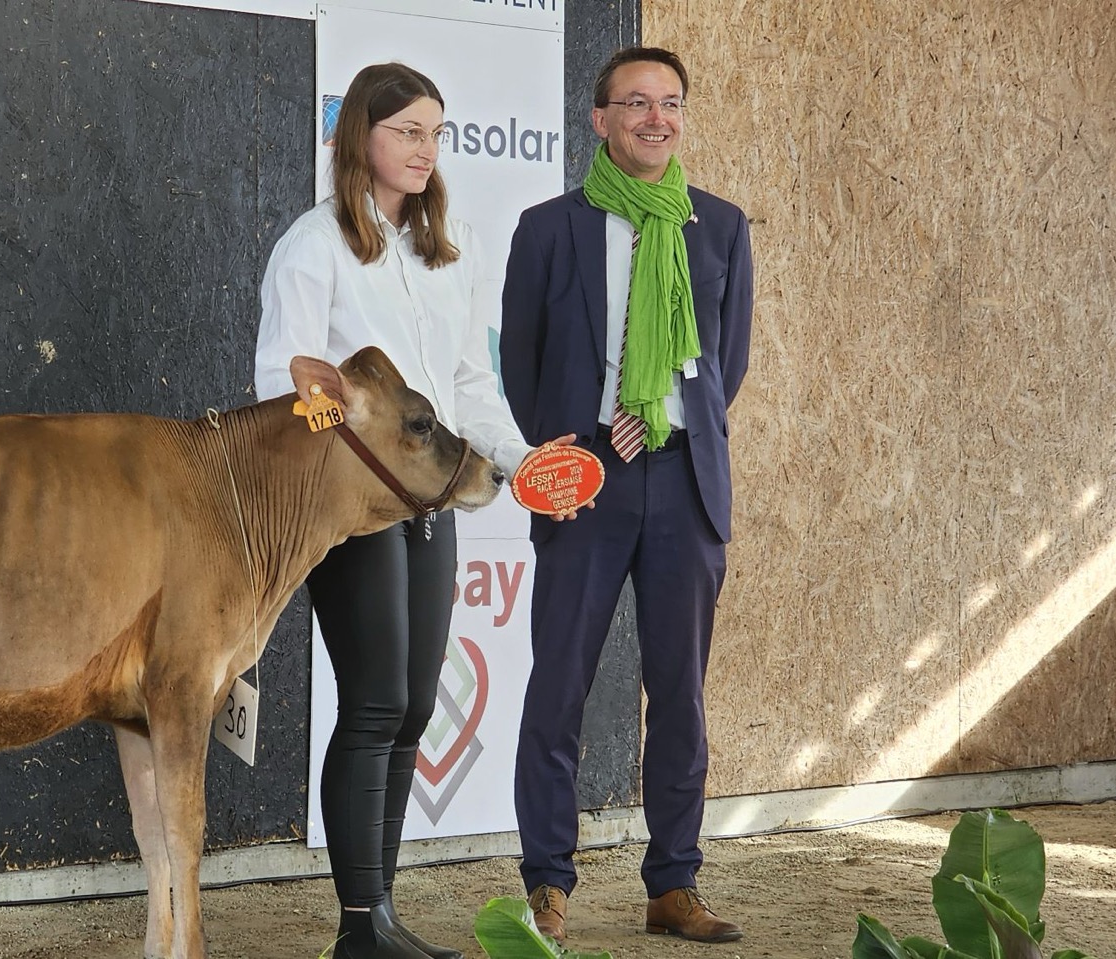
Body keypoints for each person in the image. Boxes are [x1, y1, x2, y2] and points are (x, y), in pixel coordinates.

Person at [254, 62, 557, 959]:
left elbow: (470, 384)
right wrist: (350, 440)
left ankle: (377, 920)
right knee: (377, 702)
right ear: (362, 140)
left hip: (435, 502)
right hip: (353, 510)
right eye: (407, 131)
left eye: (436, 133)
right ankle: (362, 928)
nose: (426, 149)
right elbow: (282, 380)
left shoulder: (445, 248)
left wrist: (522, 457)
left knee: (417, 704)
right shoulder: (313, 246)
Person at [500, 47, 754, 945]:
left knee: (680, 696)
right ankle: (547, 885)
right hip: (586, 488)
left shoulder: (719, 227)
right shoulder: (548, 228)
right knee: (558, 687)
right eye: (636, 103)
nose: (657, 118)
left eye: (671, 103)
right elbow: (521, 369)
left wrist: (664, 413)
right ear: (599, 119)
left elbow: (727, 366)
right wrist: (580, 444)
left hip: (684, 488)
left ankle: (673, 885)